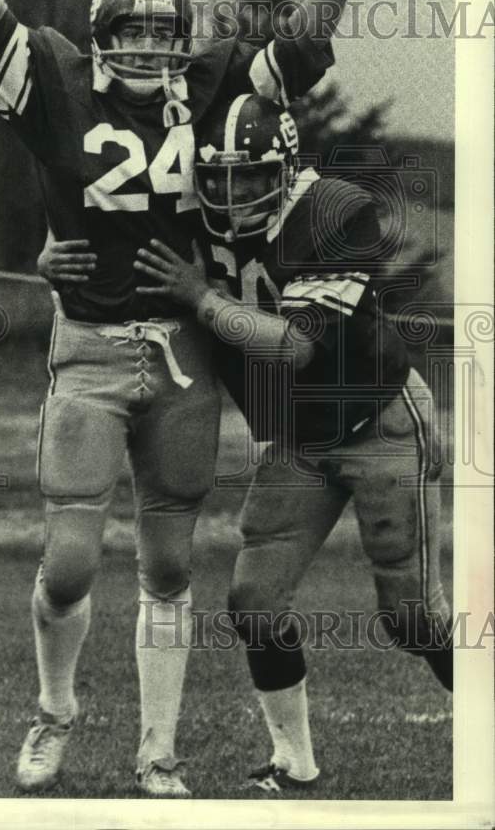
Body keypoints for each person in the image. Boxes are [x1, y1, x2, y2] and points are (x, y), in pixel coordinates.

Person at [0, 0, 377, 796]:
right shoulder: (53, 78)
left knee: (170, 562)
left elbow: (294, 50)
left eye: (163, 32)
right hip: (87, 347)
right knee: (71, 564)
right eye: (129, 31)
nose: (146, 47)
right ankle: (55, 711)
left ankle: (156, 751)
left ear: (185, 39)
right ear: (99, 35)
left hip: (181, 356)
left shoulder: (210, 83)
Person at [132, 93, 453, 793]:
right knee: (253, 600)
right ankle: (294, 761)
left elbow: (291, 347)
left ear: (285, 167)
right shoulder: (195, 217)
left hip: (378, 421)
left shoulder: (333, 211)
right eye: (217, 177)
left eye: (250, 176)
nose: (231, 191)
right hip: (299, 438)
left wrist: (200, 298)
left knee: (410, 619)